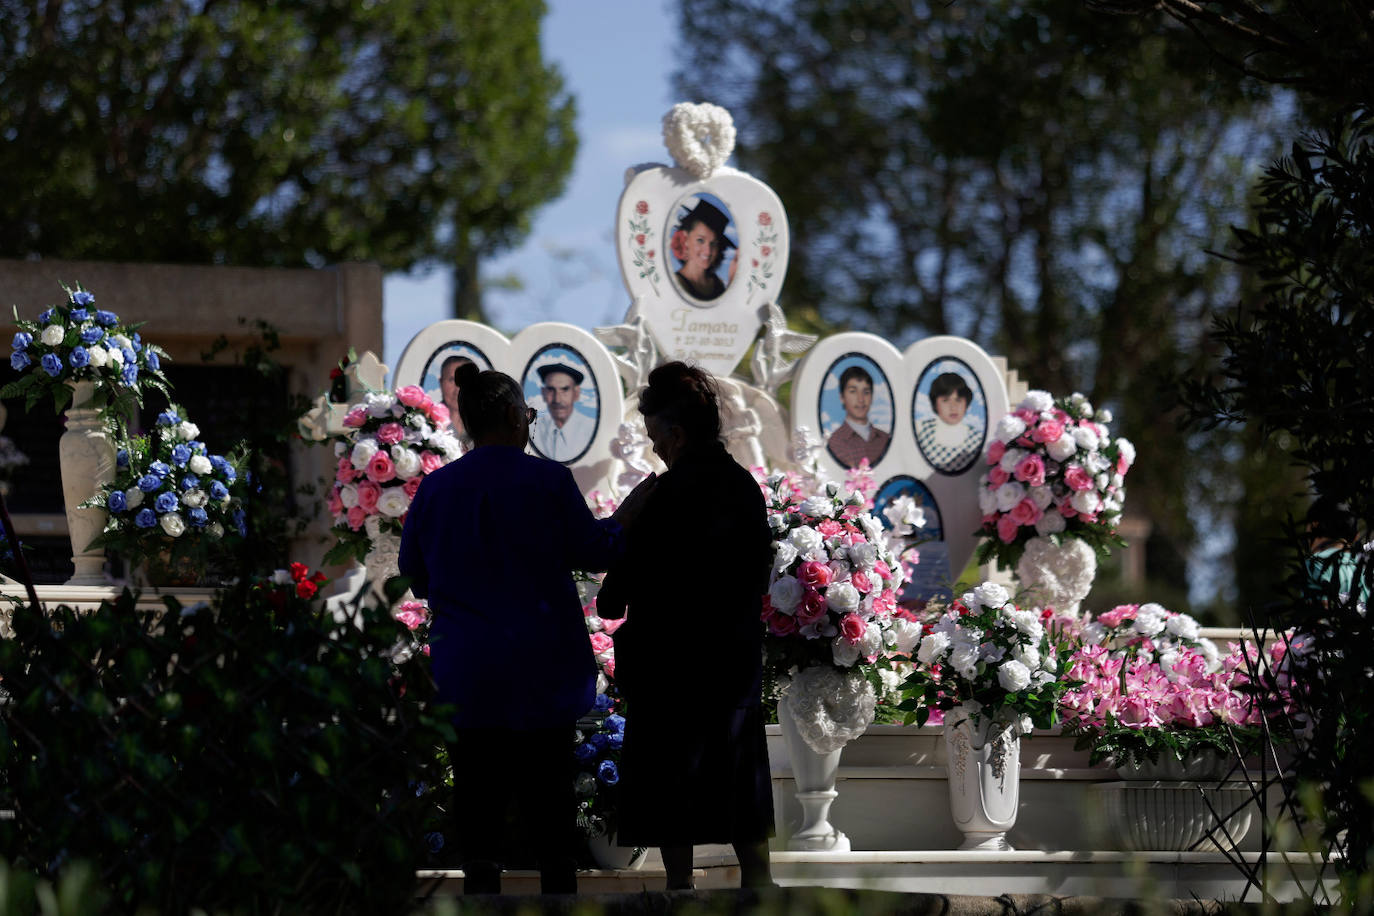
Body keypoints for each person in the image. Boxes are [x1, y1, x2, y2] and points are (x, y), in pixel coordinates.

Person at [398, 364, 654, 895]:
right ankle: (558, 899)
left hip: (468, 670)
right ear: (517, 417)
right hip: (542, 670)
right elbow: (595, 550)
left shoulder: (436, 490)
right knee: (550, 804)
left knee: (477, 799)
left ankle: (481, 894)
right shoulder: (548, 481)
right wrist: (628, 514)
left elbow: (416, 577)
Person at [596, 361, 775, 890]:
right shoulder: (745, 489)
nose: (653, 449)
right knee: (739, 782)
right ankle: (760, 887)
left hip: (666, 671)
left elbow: (609, 603)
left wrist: (622, 528)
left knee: (671, 793)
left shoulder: (659, 500)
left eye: (654, 437)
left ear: (674, 432)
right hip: (730, 666)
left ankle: (680, 894)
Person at [825, 365, 892, 468]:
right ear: (842, 397)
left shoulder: (885, 439)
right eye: (853, 391)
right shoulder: (834, 443)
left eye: (866, 392)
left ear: (872, 396)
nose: (860, 399)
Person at [916, 371, 983, 472]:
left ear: (966, 403)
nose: (953, 407)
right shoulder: (921, 430)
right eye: (946, 400)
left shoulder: (977, 439)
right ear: (935, 404)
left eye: (958, 400)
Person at [531, 362, 595, 462]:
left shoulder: (590, 431)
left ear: (576, 393)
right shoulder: (533, 430)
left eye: (565, 389)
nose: (557, 399)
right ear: (543, 393)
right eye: (551, 390)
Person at [672, 200, 734, 302]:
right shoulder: (676, 283)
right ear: (685, 239)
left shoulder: (717, 283)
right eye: (700, 240)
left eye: (713, 243)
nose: (708, 251)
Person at [438, 354, 474, 441]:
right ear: (441, 382)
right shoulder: (428, 423)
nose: (458, 389)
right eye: (452, 380)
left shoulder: (483, 426)